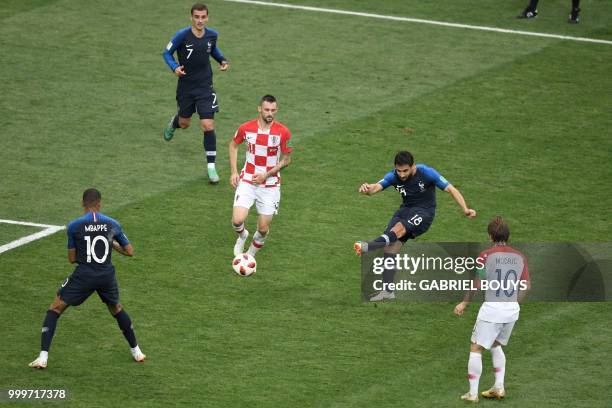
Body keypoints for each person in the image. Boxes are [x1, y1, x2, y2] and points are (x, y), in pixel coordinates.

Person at [28, 189, 145, 369]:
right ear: (99, 204)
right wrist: (111, 243)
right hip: (106, 275)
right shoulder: (113, 224)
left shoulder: (74, 226)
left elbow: (72, 259)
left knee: (55, 308)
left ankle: (43, 357)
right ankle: (137, 351)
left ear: (83, 203)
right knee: (116, 308)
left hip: (84, 276)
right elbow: (130, 251)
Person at [354, 151, 476, 301]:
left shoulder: (427, 173)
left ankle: (369, 246)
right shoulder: (394, 176)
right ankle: (387, 291)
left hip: (424, 213)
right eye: (399, 171)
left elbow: (451, 189)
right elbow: (376, 187)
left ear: (413, 166)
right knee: (390, 248)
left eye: (405, 170)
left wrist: (465, 209)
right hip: (405, 210)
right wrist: (367, 189)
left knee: (398, 230)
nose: (402, 174)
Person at [454, 217, 530, 402]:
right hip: (512, 310)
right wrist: (514, 304)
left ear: (490, 236)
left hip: (492, 309)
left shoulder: (485, 256)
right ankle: (499, 387)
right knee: (496, 344)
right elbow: (526, 286)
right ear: (508, 236)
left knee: (476, 347)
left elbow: (477, 283)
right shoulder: (520, 257)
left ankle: (472, 394)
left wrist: (464, 303)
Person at [162, 3, 229, 184]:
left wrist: (222, 60)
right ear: (191, 17)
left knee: (207, 125)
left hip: (205, 86)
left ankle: (211, 167)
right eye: (196, 17)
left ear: (207, 18)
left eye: (203, 17)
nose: (200, 20)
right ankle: (173, 123)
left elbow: (211, 49)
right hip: (186, 87)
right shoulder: (181, 35)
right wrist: (174, 67)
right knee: (185, 123)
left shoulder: (211, 35)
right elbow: (166, 53)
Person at [229, 95, 292, 258]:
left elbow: (287, 159)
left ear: (276, 110)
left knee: (263, 229)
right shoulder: (245, 128)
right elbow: (233, 145)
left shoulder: (283, 132)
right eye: (267, 110)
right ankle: (242, 235)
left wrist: (267, 174)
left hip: (270, 184)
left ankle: (249, 255)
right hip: (248, 180)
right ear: (259, 109)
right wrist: (234, 171)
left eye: (273, 110)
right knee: (237, 220)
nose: (270, 113)